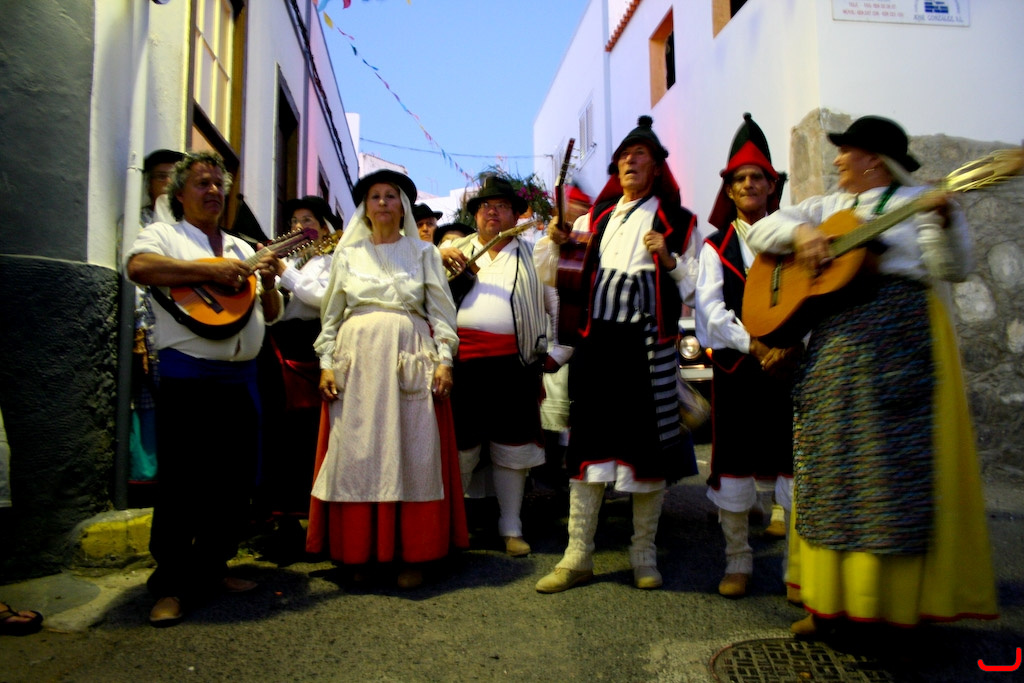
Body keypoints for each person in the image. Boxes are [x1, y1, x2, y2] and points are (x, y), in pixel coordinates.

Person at [746, 115, 998, 636]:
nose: (838, 159)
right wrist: (802, 233)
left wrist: (942, 222)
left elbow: (952, 269)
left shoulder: (922, 200)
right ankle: (829, 605)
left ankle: (895, 615)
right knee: (827, 468)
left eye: (847, 151)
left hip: (899, 342)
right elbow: (760, 232)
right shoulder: (828, 208)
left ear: (873, 160)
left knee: (891, 476)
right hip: (836, 347)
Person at [536, 116, 700, 593]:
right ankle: (577, 556)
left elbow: (694, 285)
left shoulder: (678, 221)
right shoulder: (594, 220)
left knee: (646, 453)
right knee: (587, 448)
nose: (629, 161)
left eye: (639, 154)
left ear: (657, 166)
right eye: (624, 156)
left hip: (646, 347)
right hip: (596, 345)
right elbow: (552, 273)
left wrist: (668, 259)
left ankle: (643, 554)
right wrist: (555, 239)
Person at [125, 151, 283, 626]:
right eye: (202, 183)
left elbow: (271, 314)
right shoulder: (165, 235)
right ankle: (170, 584)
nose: (213, 190)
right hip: (187, 377)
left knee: (233, 481)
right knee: (182, 482)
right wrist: (210, 271)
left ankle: (214, 566)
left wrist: (268, 284)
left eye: (219, 184)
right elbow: (139, 268)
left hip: (241, 379)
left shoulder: (240, 246)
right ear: (179, 193)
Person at [306, 170, 468, 589]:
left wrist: (445, 360)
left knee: (411, 452)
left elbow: (441, 312)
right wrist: (326, 362)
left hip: (407, 357)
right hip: (356, 363)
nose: (382, 202)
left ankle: (413, 553)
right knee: (357, 453)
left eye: (391, 196)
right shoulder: (346, 256)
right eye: (375, 196)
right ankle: (357, 552)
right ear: (365, 208)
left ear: (403, 207)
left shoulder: (424, 253)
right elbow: (330, 316)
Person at [696, 113, 800, 599]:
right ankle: (738, 561)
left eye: (758, 177)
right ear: (730, 191)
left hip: (787, 369)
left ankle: (798, 569)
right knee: (734, 463)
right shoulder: (714, 247)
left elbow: (809, 298)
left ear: (771, 186)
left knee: (793, 461)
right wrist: (756, 347)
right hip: (738, 370)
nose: (750, 184)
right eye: (740, 179)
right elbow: (710, 312)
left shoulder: (794, 239)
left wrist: (790, 348)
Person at [445, 176, 548, 557]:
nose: (492, 212)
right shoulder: (452, 251)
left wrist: (558, 349)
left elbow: (552, 300)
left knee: (512, 445)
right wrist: (438, 253)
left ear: (515, 215)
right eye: (485, 206)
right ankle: (451, 527)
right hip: (462, 365)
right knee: (461, 446)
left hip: (515, 365)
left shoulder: (534, 254)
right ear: (474, 215)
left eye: (502, 206)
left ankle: (511, 526)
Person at [256, 196, 340, 524]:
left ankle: (312, 512)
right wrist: (270, 281)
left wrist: (284, 272)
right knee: (279, 429)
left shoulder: (333, 260)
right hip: (280, 346)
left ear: (323, 228)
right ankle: (280, 512)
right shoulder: (290, 260)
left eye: (307, 220)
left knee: (309, 430)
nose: (299, 226)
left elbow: (322, 298)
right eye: (294, 221)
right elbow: (273, 308)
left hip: (311, 346)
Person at [532, 184, 593, 492]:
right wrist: (555, 351)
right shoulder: (545, 249)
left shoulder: (591, 244)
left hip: (587, 347)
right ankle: (553, 487)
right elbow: (548, 303)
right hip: (558, 349)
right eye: (569, 210)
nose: (574, 215)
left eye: (581, 210)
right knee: (553, 426)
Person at [141, 149, 183, 226]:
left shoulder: (193, 219)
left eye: (174, 176)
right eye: (161, 176)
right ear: (149, 184)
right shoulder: (135, 220)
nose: (169, 182)